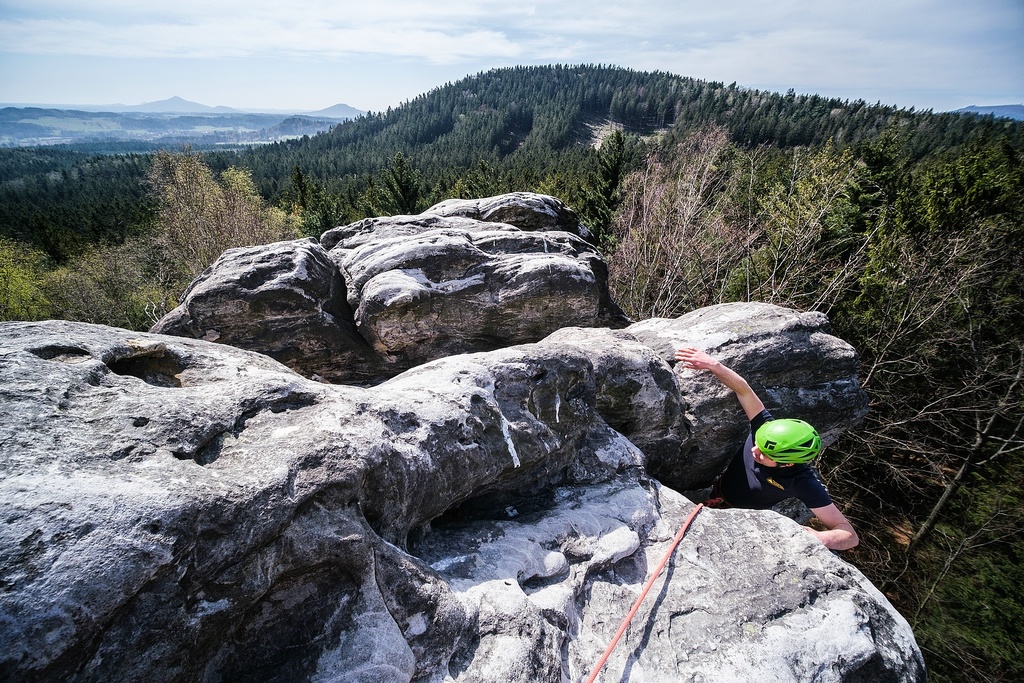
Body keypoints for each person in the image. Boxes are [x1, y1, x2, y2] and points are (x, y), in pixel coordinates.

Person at [675, 346, 859, 551]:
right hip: (716, 489)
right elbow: (743, 389)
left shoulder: (801, 482)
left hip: (739, 518)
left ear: (788, 463)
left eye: (764, 454)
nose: (755, 451)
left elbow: (850, 535)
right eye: (757, 444)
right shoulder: (766, 431)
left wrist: (822, 539)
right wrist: (713, 365)